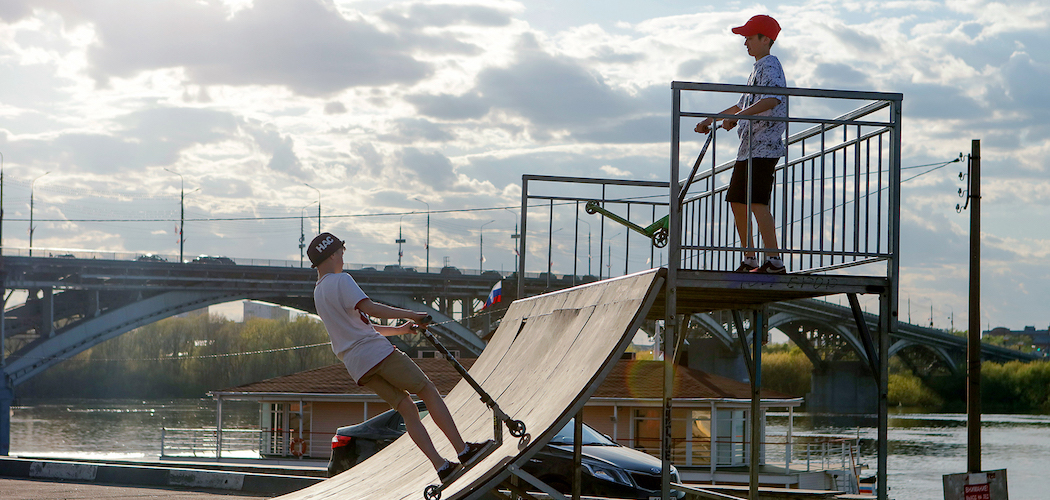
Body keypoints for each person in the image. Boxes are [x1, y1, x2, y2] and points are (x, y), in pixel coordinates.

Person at [307, 232, 487, 480]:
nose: (342, 260)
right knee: (427, 390)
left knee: (407, 409)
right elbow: (370, 308)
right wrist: (413, 314)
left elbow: (361, 325)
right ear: (331, 254)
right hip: (377, 353)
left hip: (358, 367)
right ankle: (463, 450)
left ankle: (441, 467)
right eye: (341, 254)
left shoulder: (318, 293)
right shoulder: (342, 280)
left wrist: (400, 329)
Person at [695, 14, 787, 274]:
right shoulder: (756, 69)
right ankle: (750, 258)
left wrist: (738, 116)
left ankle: (775, 261)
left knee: (757, 201)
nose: (745, 42)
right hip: (748, 148)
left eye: (749, 37)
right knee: (737, 200)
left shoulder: (770, 65)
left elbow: (772, 99)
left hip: (764, 145)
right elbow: (742, 105)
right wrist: (713, 118)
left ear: (765, 39)